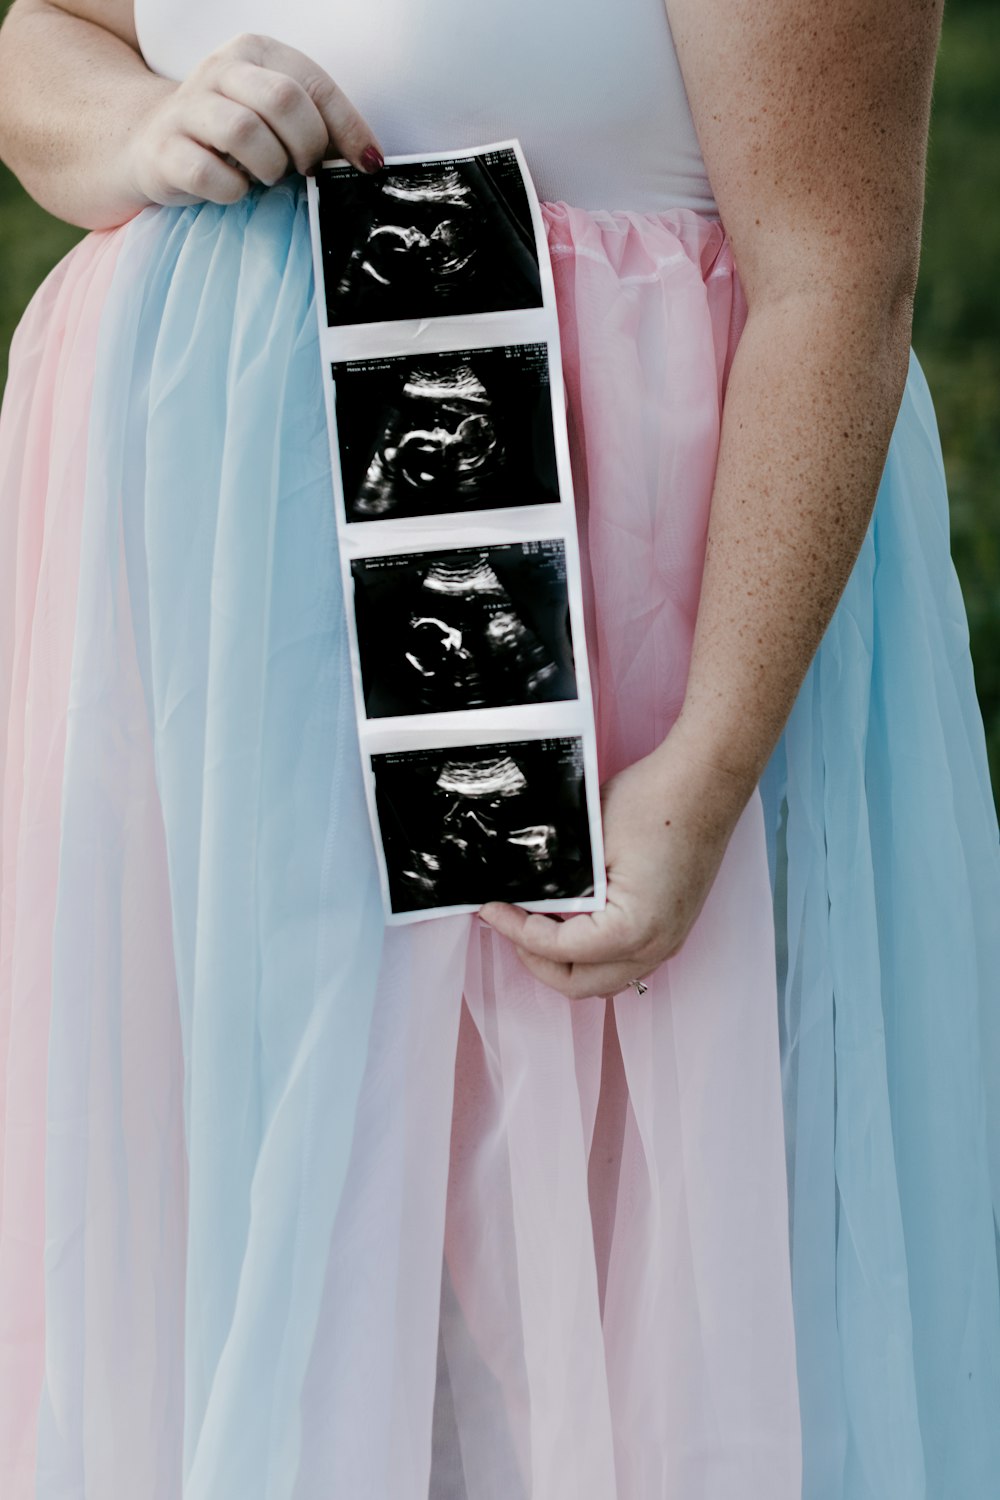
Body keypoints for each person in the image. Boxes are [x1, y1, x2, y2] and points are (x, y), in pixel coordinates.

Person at [0, 1, 997, 1496]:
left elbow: (838, 277)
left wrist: (709, 769)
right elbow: (43, 39)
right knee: (267, 1267)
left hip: (592, 675)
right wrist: (141, 125)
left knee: (577, 1299)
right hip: (214, 686)